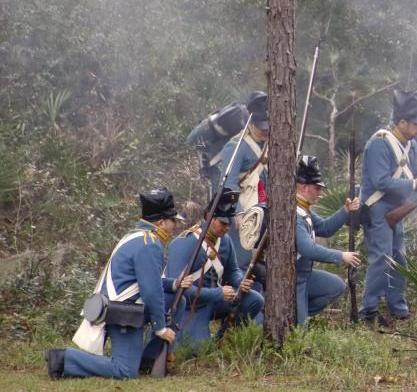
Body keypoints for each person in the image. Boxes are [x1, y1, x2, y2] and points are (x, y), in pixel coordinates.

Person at [46, 188, 189, 380]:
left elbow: (150, 282)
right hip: (123, 311)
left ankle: (148, 360)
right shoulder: (149, 244)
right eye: (172, 220)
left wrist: (174, 285)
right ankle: (64, 358)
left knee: (177, 300)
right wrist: (161, 329)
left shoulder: (138, 236)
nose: (175, 225)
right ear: (161, 222)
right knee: (124, 371)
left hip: (125, 305)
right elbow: (151, 292)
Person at [359, 89, 417, 323]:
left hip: (396, 211)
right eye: (415, 124)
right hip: (377, 209)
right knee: (381, 258)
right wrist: (414, 184)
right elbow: (381, 181)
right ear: (401, 122)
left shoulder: (411, 145)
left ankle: (397, 307)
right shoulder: (380, 143)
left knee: (399, 259)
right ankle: (369, 309)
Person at [165, 188, 264, 347]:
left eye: (229, 223)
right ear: (209, 217)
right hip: (191, 307)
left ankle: (225, 338)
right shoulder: (183, 243)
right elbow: (178, 289)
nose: (227, 228)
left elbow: (233, 272)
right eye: (223, 223)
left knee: (254, 300)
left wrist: (241, 282)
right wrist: (218, 293)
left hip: (215, 301)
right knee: (197, 350)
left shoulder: (225, 241)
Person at [295, 155, 361, 324]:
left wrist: (344, 210)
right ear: (303, 187)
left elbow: (325, 228)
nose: (320, 193)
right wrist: (341, 256)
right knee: (299, 331)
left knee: (336, 286)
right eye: (316, 188)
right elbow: (308, 249)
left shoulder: (304, 209)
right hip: (292, 278)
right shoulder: (294, 213)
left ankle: (297, 314)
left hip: (305, 275)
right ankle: (295, 315)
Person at [217, 91, 269, 274]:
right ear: (251, 122)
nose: (265, 130)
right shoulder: (236, 146)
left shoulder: (271, 145)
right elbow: (228, 183)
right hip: (244, 214)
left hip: (264, 212)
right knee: (241, 265)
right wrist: (238, 212)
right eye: (261, 126)